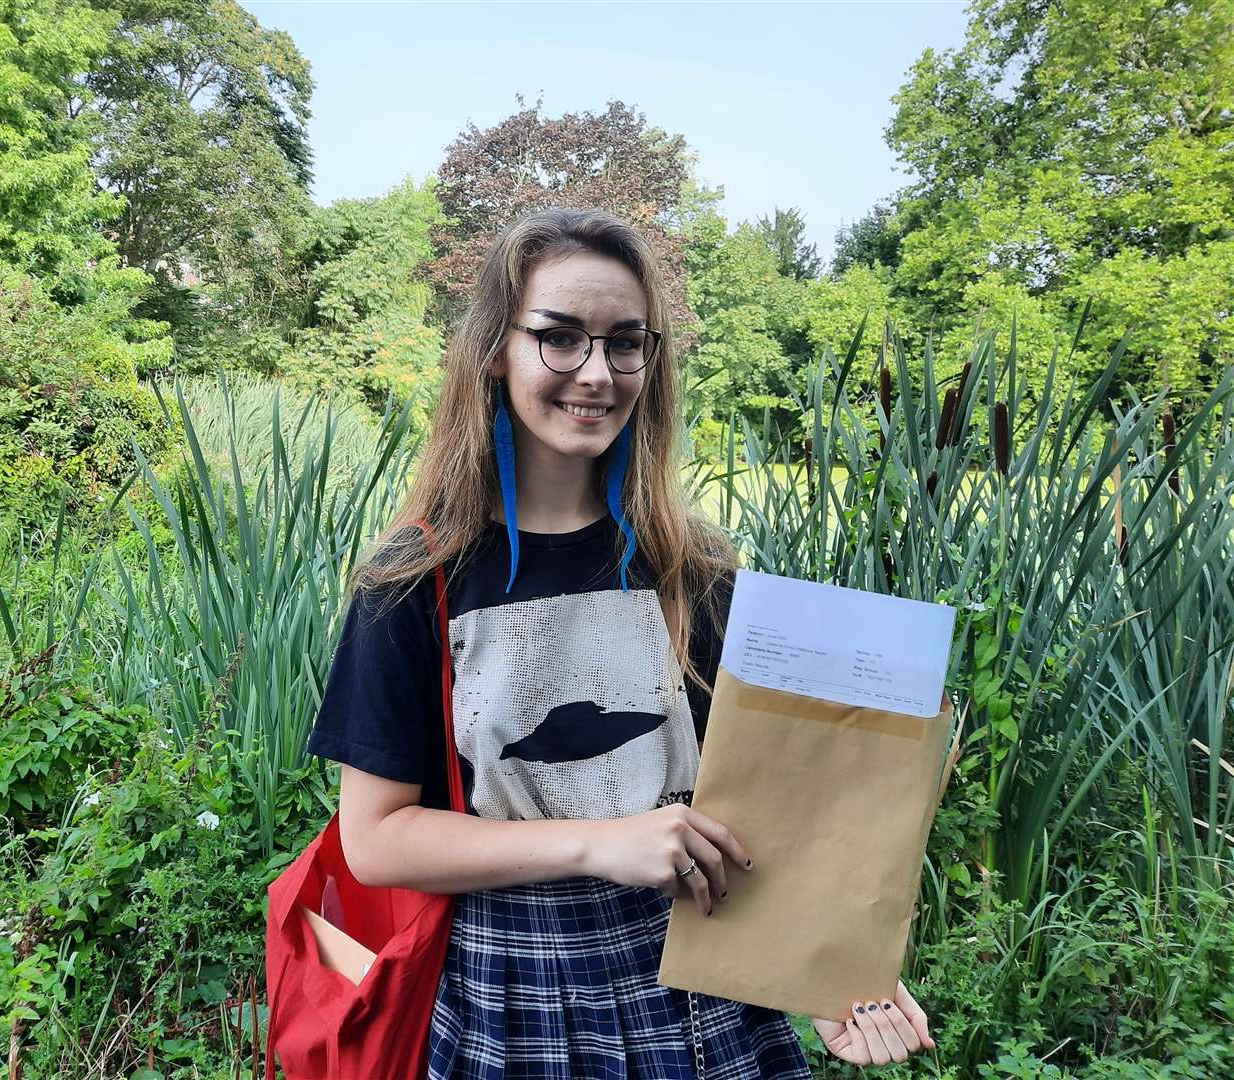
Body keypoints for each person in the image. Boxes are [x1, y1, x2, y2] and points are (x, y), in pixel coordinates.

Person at [306, 207, 937, 1078]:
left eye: (625, 343)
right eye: (560, 338)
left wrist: (832, 963)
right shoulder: (416, 577)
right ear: (496, 349)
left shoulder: (698, 566)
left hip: (706, 979)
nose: (597, 373)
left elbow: (767, 802)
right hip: (517, 990)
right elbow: (375, 842)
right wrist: (600, 840)